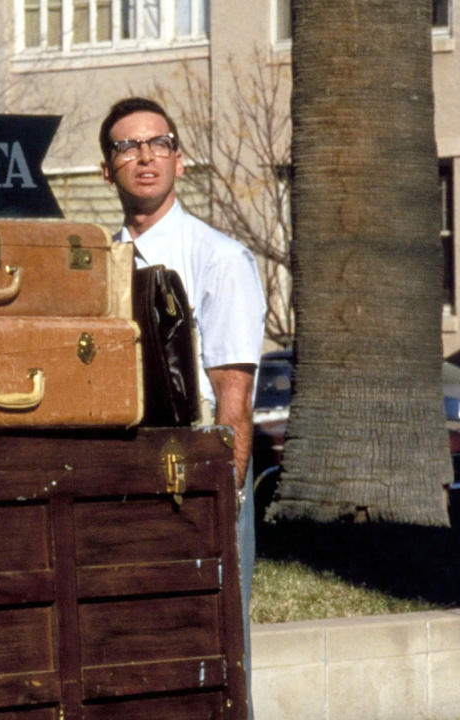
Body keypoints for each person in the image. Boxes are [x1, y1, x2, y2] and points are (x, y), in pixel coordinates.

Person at [100, 96, 266, 716]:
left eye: (158, 143)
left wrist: (221, 502)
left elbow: (234, 399)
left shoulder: (220, 259)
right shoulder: (99, 261)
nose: (145, 156)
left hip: (198, 472)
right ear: (106, 168)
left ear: (179, 158)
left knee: (214, 644)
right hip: (121, 471)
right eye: (127, 146)